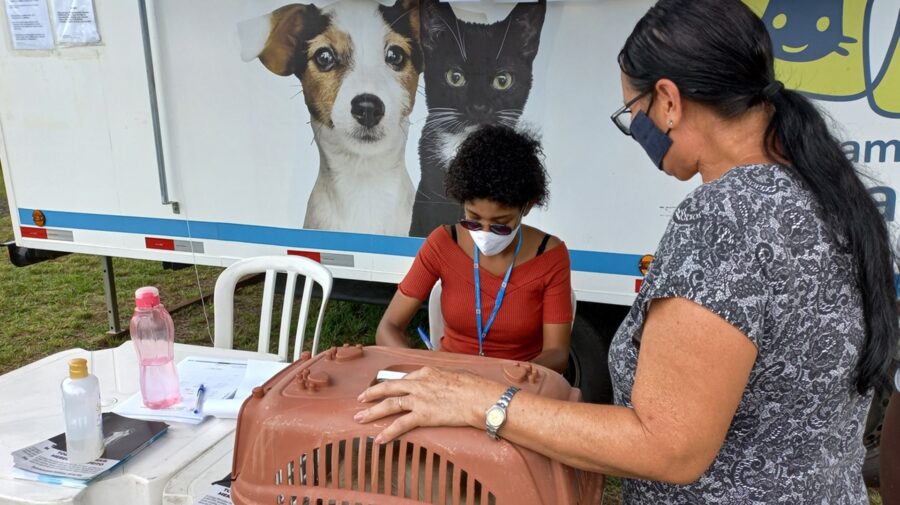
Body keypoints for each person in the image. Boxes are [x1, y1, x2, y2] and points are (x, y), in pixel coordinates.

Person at [355, 0, 899, 503]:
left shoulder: (725, 217)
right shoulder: (826, 191)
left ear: (667, 100)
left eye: (631, 111)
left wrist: (482, 405)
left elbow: (667, 445)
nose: (635, 127)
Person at [376, 124, 573, 373]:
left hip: (513, 390)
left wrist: (521, 374)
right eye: (473, 220)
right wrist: (421, 371)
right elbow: (389, 327)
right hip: (447, 382)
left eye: (501, 225)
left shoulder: (550, 256)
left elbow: (557, 354)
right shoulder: (443, 243)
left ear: (528, 206)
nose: (486, 233)